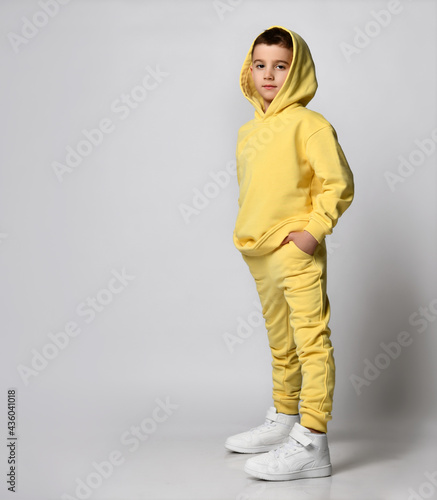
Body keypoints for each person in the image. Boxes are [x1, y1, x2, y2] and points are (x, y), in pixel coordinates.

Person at [225, 26, 354, 481]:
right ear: (249, 69)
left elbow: (337, 182)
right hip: (258, 253)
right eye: (260, 65)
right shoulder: (247, 131)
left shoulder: (309, 123)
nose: (269, 74)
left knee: (310, 340)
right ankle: (284, 419)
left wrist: (311, 233)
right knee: (280, 342)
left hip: (295, 251)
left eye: (281, 66)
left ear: (296, 70)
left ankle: (313, 441)